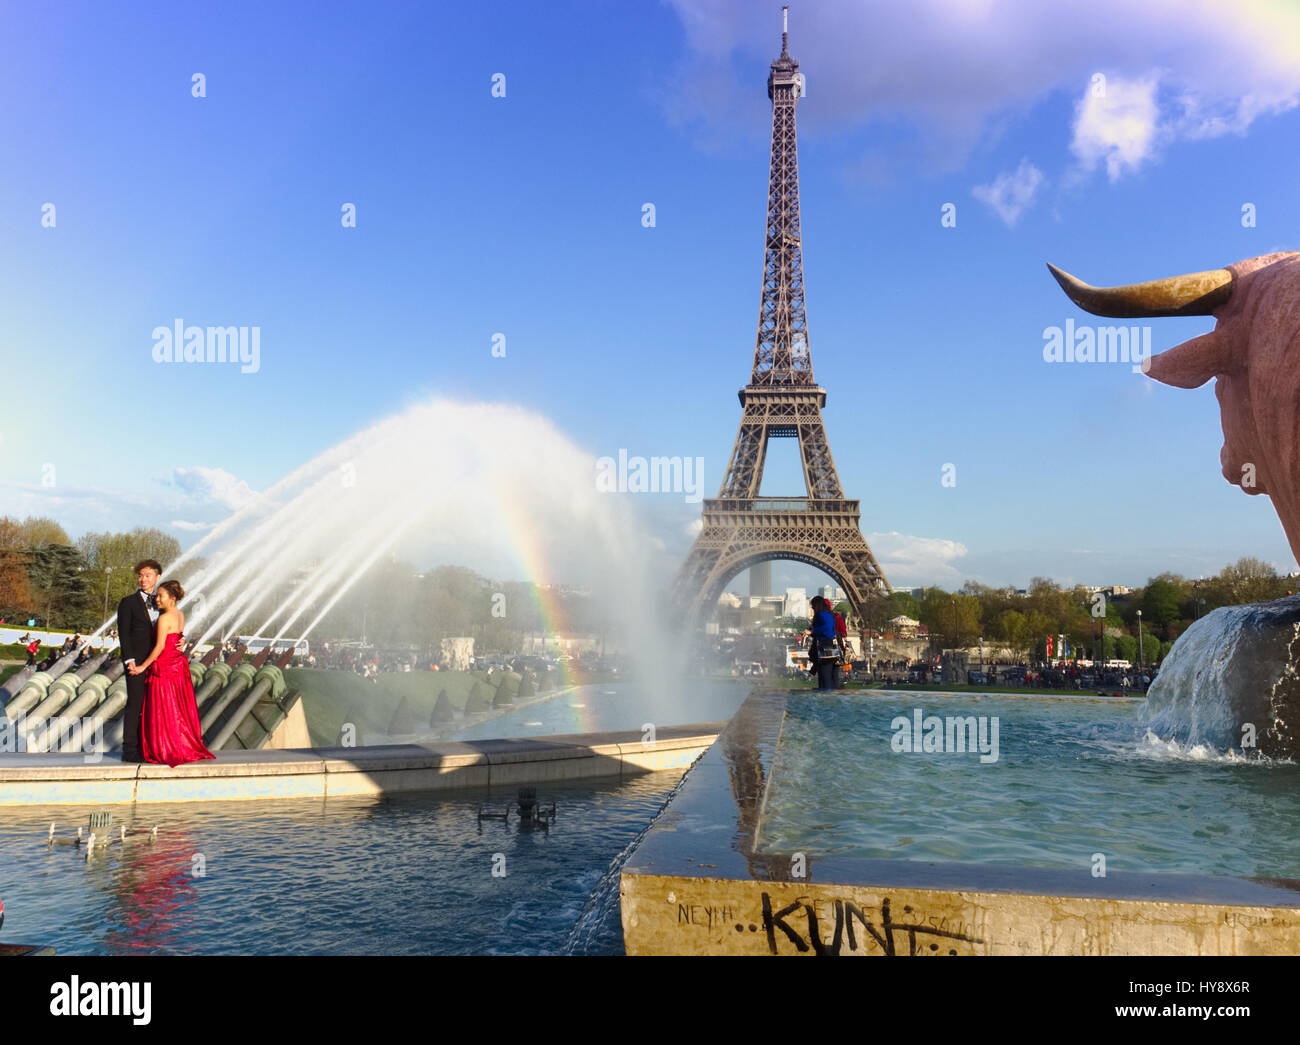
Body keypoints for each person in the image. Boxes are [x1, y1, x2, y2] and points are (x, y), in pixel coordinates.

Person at [129, 579, 214, 767]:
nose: (157, 599)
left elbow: (159, 646)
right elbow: (177, 639)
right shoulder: (180, 615)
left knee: (162, 710)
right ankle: (180, 745)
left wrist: (142, 667)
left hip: (164, 669)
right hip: (178, 667)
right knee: (176, 710)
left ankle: (164, 747)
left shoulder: (164, 618)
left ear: (172, 598)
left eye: (161, 596)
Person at [117, 559, 161, 763]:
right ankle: (130, 749)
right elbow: (123, 634)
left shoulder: (162, 602)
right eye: (141, 575)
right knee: (135, 703)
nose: (143, 579)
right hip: (136, 662)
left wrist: (181, 641)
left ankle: (148, 747)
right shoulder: (128, 602)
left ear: (157, 577)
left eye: (148, 575)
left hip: (157, 661)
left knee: (153, 704)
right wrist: (129, 660)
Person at [802, 596, 839, 691]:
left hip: (824, 648)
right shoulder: (829, 614)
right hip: (832, 648)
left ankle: (825, 700)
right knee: (829, 677)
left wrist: (811, 631)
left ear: (817, 605)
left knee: (824, 677)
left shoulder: (820, 614)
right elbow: (829, 629)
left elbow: (825, 628)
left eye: (813, 606)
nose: (812, 608)